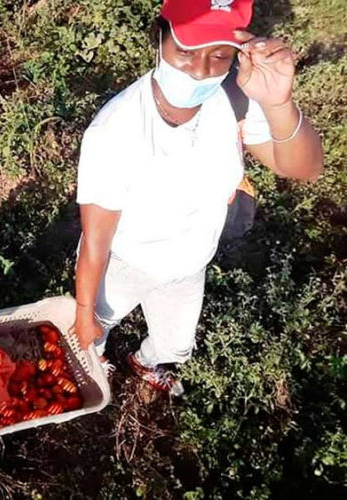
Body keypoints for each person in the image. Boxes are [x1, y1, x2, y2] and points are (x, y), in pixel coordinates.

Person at [73, 0, 323, 393]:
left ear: (237, 54)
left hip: (190, 266)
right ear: (160, 38)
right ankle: (98, 357)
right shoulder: (115, 132)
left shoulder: (235, 99)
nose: (202, 70)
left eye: (220, 54)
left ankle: (144, 361)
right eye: (186, 52)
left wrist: (279, 104)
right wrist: (84, 311)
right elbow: (96, 239)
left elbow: (303, 168)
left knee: (176, 343)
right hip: (125, 263)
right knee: (99, 321)